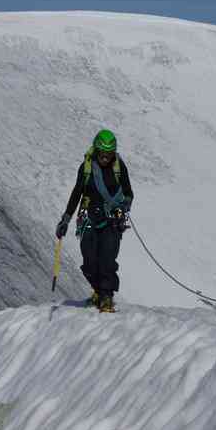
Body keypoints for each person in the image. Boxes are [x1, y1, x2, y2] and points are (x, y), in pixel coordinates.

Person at [56, 129, 134, 313]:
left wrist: (122, 207)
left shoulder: (119, 168)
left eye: (109, 154)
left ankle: (106, 296)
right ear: (97, 151)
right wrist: (65, 219)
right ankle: (98, 291)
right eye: (102, 154)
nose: (105, 158)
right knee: (90, 260)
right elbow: (77, 193)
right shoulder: (86, 168)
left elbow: (129, 192)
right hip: (89, 217)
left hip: (111, 220)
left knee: (107, 258)